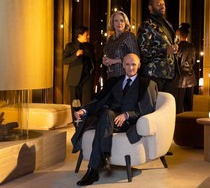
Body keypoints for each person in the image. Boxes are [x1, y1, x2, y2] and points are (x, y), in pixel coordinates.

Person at [71, 53, 158, 186]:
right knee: (106, 114)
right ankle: (103, 157)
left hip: (130, 123)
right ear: (122, 65)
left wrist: (127, 115)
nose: (130, 68)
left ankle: (93, 169)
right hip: (110, 120)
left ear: (139, 65)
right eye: (127, 64)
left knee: (104, 118)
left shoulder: (147, 84)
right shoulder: (114, 82)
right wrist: (84, 110)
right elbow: (100, 100)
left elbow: (147, 110)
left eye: (133, 64)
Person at [137, 0, 179, 98]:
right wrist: (165, 50)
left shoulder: (168, 24)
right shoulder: (147, 25)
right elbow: (143, 50)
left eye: (163, 4)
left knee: (168, 107)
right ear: (150, 8)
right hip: (153, 74)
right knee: (154, 108)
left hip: (170, 74)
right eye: (158, 4)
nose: (162, 6)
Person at [63, 26, 96, 107]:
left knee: (87, 102)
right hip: (75, 79)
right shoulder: (70, 46)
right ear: (79, 35)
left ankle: (85, 120)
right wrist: (75, 55)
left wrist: (93, 73)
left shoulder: (89, 46)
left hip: (87, 78)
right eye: (86, 35)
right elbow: (64, 61)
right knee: (75, 103)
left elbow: (94, 60)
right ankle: (76, 120)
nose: (88, 37)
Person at [103, 11, 139, 79]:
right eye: (116, 21)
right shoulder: (110, 38)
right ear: (112, 23)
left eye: (122, 21)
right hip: (110, 75)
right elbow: (108, 54)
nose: (119, 23)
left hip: (124, 75)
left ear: (125, 23)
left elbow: (135, 57)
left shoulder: (129, 36)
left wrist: (114, 61)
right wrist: (105, 60)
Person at [175, 23, 197, 114]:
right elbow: (193, 61)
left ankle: (179, 126)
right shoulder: (191, 46)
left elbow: (176, 62)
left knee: (178, 106)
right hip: (191, 78)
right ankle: (189, 125)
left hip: (180, 79)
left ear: (179, 35)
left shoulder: (177, 47)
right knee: (189, 106)